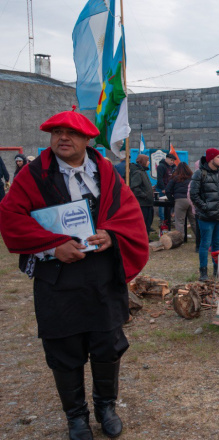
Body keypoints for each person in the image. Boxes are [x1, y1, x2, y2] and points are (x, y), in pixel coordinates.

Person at [0, 107, 148, 440]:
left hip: (101, 277)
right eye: (57, 134)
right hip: (58, 279)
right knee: (63, 348)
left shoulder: (107, 173)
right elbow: (11, 218)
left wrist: (111, 235)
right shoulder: (33, 175)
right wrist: (53, 247)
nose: (62, 139)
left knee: (107, 344)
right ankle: (76, 416)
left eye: (71, 134)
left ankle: (105, 407)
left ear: (87, 139)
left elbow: (129, 215)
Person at [190, 148, 219, 282]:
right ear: (211, 158)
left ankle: (217, 270)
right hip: (206, 217)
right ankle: (203, 272)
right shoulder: (199, 174)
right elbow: (194, 195)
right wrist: (205, 207)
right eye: (218, 157)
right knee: (205, 244)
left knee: (217, 244)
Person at [165, 162, 197, 240]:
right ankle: (200, 237)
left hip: (180, 200)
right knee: (194, 221)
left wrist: (172, 200)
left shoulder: (175, 178)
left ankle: (180, 239)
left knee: (179, 221)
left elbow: (168, 190)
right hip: (191, 200)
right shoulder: (192, 178)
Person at [129, 155, 155, 234]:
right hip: (143, 203)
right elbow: (135, 187)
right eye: (147, 161)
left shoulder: (143, 171)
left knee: (148, 222)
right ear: (143, 161)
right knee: (143, 222)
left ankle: (146, 237)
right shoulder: (138, 173)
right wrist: (145, 195)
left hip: (148, 203)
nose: (149, 162)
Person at [155, 153, 176, 228]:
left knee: (168, 206)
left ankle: (168, 220)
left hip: (167, 189)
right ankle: (162, 221)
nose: (172, 162)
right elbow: (159, 178)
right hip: (162, 189)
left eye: (173, 161)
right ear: (167, 158)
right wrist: (163, 188)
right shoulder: (161, 166)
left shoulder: (169, 167)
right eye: (171, 160)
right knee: (162, 206)